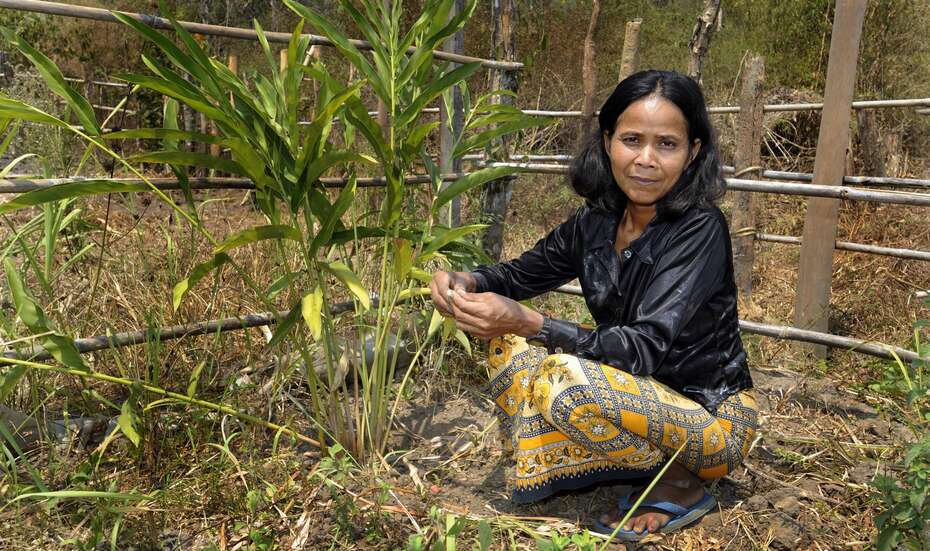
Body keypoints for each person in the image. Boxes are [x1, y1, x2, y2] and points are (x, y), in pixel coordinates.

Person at [429, 70, 758, 541]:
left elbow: (643, 349)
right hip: (632, 397)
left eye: (667, 144)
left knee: (563, 380)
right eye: (631, 140)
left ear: (694, 152)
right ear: (607, 142)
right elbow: (521, 274)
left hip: (712, 418)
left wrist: (534, 322)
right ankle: (601, 463)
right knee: (505, 343)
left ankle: (683, 482)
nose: (645, 159)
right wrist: (467, 280)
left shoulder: (699, 230)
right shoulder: (597, 219)